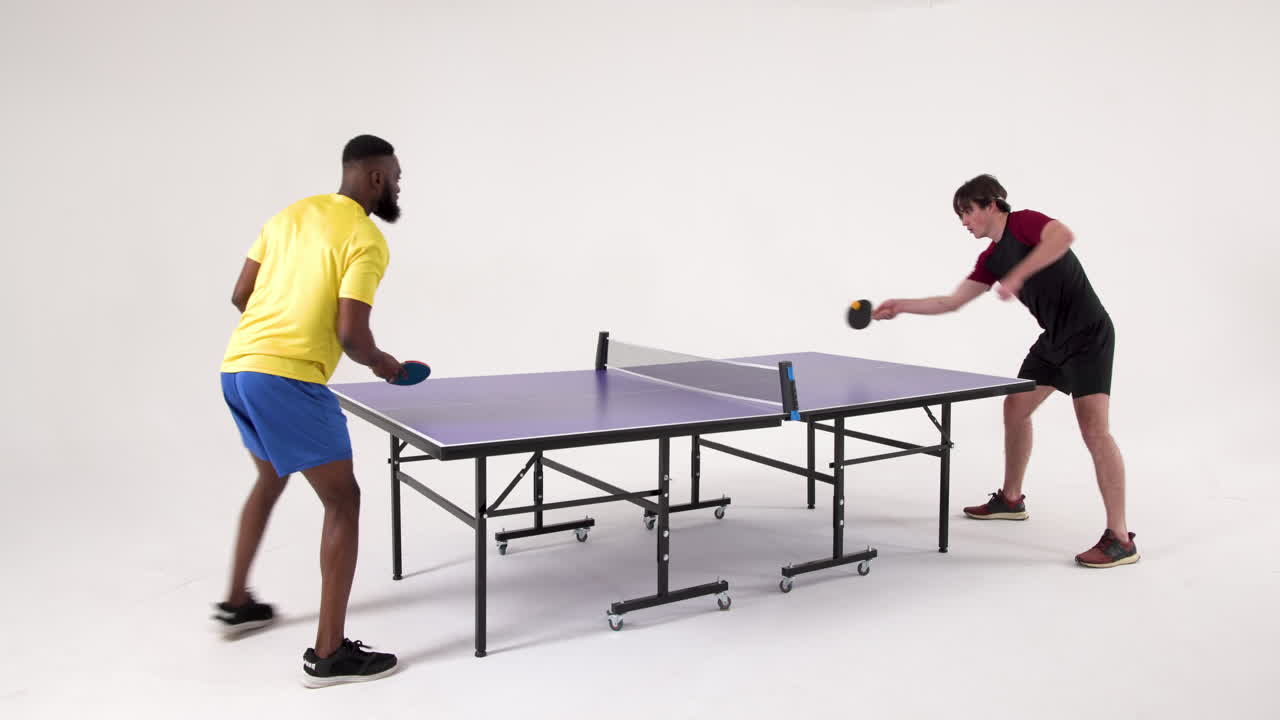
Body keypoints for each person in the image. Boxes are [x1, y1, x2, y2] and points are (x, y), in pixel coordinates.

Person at [214, 134, 407, 687]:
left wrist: (281, 320)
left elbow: (240, 294)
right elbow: (352, 334)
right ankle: (329, 654)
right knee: (344, 500)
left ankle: (236, 604)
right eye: (396, 177)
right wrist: (382, 363)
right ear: (375, 177)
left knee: (271, 476)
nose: (396, 187)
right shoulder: (366, 239)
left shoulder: (288, 215)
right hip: (286, 378)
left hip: (238, 368)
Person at [872, 174, 1137, 568]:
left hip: (1088, 334)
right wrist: (902, 304)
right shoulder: (991, 258)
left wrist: (1019, 275)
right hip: (1054, 340)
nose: (964, 222)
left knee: (1094, 430)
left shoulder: (1024, 222)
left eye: (967, 212)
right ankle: (1010, 501)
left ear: (991, 205)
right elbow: (951, 302)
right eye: (960, 215)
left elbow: (1062, 236)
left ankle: (1119, 538)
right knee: (1015, 407)